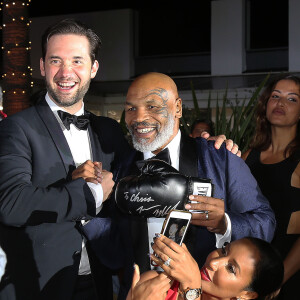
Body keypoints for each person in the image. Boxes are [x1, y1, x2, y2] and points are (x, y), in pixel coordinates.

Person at [106, 72, 275, 298]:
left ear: (177, 108)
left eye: (152, 106)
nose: (138, 117)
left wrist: (223, 223)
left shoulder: (219, 158)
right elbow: (112, 244)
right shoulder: (119, 168)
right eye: (130, 108)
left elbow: (266, 222)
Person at [0, 19, 130, 300]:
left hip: (101, 281)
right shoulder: (16, 128)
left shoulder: (108, 130)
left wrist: (210, 147)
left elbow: (136, 177)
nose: (65, 72)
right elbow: (10, 203)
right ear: (43, 67)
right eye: (56, 61)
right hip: (38, 286)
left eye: (77, 61)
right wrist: (90, 194)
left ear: (93, 68)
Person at [242, 74, 300, 300]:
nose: (281, 103)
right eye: (275, 96)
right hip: (252, 272)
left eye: (292, 99)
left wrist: (278, 279)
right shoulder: (248, 157)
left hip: (290, 276)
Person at [127, 235, 284, 300]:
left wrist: (192, 289)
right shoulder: (156, 286)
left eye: (231, 268)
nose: (214, 263)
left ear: (247, 295)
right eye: (223, 251)